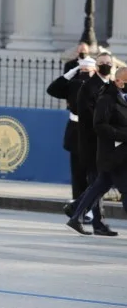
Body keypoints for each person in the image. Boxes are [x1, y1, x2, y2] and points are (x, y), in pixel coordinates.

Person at [66, 67, 127, 236]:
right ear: (118, 82)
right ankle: (76, 215)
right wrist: (123, 135)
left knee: (99, 186)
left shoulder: (123, 98)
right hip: (113, 154)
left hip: (121, 153)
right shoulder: (107, 99)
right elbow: (99, 125)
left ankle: (75, 216)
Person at [47, 57, 96, 201]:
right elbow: (52, 90)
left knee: (93, 173)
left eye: (87, 70)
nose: (84, 73)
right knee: (77, 172)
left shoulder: (101, 85)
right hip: (76, 132)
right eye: (82, 70)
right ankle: (78, 203)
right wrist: (70, 73)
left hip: (93, 132)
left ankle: (91, 205)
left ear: (94, 70)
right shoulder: (73, 85)